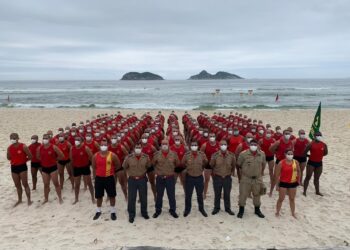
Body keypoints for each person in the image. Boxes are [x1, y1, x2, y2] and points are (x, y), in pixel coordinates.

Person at [92, 139, 121, 221]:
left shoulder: (112, 155)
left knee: (112, 195)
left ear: (107, 146)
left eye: (105, 145)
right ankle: (98, 210)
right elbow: (93, 167)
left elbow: (118, 165)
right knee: (99, 196)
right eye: (102, 145)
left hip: (109, 178)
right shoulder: (95, 156)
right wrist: (95, 177)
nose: (103, 146)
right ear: (100, 146)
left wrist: (111, 172)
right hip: (99, 178)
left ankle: (112, 211)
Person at [236, 139, 266, 219]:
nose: (254, 146)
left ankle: (257, 210)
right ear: (249, 145)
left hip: (257, 179)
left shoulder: (262, 154)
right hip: (246, 178)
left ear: (258, 145)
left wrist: (260, 174)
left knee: (257, 195)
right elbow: (238, 165)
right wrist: (240, 177)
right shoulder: (243, 154)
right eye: (252, 144)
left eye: (255, 145)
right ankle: (241, 210)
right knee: (243, 195)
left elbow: (263, 164)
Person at [123, 143, 152, 223]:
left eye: (139, 147)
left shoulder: (146, 157)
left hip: (142, 179)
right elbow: (124, 167)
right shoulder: (129, 158)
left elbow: (148, 166)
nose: (138, 148)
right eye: (136, 147)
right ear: (134, 148)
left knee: (143, 197)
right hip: (132, 180)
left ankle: (144, 213)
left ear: (141, 148)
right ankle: (131, 215)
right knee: (131, 198)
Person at [152, 139, 180, 218]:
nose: (164, 145)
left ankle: (172, 210)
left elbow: (177, 164)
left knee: (171, 195)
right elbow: (153, 164)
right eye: (163, 144)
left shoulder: (174, 154)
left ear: (168, 145)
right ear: (161, 145)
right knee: (159, 195)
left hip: (170, 178)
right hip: (160, 178)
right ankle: (158, 210)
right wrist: (157, 172)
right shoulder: (156, 154)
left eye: (166, 144)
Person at [270, 149, 300, 218]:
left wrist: (298, 180)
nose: (290, 155)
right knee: (281, 199)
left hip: (292, 183)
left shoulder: (296, 162)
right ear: (285, 154)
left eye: (291, 154)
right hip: (283, 183)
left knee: (292, 199)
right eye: (288, 154)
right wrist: (277, 186)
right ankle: (277, 212)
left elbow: (299, 171)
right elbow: (277, 175)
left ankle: (293, 213)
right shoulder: (281, 163)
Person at [182, 141, 208, 217]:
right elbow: (183, 164)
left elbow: (205, 163)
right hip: (189, 177)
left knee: (200, 194)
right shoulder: (186, 155)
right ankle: (187, 209)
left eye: (195, 145)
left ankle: (201, 209)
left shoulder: (202, 155)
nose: (194, 146)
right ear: (190, 146)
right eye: (192, 145)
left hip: (199, 177)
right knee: (188, 195)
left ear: (198, 146)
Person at [210, 140, 236, 216]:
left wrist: (230, 173)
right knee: (217, 194)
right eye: (221, 144)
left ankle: (227, 208)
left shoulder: (231, 155)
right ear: (219, 145)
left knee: (227, 194)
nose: (223, 146)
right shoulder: (215, 155)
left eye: (225, 144)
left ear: (227, 145)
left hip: (227, 177)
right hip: (217, 177)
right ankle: (216, 208)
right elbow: (211, 165)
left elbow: (233, 166)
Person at [37, 134, 64, 204]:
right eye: (43, 138)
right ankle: (46, 199)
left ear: (49, 139)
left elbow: (61, 155)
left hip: (53, 168)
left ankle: (60, 198)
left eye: (46, 138)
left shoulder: (54, 147)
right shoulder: (40, 148)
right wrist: (44, 160)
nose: (44, 139)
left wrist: (55, 159)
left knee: (56, 183)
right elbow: (38, 157)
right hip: (44, 168)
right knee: (46, 184)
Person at [7, 133, 33, 207]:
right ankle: (20, 200)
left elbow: (30, 156)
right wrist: (13, 158)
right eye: (11, 138)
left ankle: (29, 200)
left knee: (25, 184)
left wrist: (24, 160)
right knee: (17, 185)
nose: (12, 139)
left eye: (14, 137)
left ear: (18, 138)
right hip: (14, 167)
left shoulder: (23, 146)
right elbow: (8, 158)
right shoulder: (9, 148)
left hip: (22, 167)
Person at [70, 136, 95, 204]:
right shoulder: (72, 148)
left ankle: (93, 198)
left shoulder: (85, 148)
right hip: (76, 168)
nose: (76, 141)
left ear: (81, 141)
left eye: (78, 139)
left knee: (89, 184)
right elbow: (71, 160)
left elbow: (92, 157)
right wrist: (72, 170)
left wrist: (93, 167)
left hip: (85, 167)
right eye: (75, 139)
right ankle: (76, 199)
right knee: (77, 185)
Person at [303, 132, 328, 196]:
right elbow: (304, 153)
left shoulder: (324, 144)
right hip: (311, 163)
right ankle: (304, 191)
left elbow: (325, 153)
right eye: (317, 135)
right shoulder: (310, 144)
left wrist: (319, 156)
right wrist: (310, 156)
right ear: (314, 136)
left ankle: (317, 191)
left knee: (317, 178)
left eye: (320, 135)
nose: (319, 136)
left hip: (319, 163)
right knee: (308, 177)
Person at [109, 134, 128, 201]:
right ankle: (110, 196)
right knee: (111, 183)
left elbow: (126, 154)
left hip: (119, 167)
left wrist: (123, 162)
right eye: (112, 138)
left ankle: (126, 195)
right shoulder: (108, 148)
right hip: (111, 168)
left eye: (114, 138)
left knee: (122, 183)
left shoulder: (121, 147)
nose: (113, 140)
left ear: (117, 139)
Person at [200, 133, 220, 199]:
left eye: (213, 136)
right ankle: (204, 193)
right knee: (206, 180)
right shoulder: (205, 145)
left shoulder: (218, 144)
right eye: (211, 136)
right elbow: (200, 154)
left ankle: (218, 193)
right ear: (208, 137)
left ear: (215, 137)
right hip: (207, 165)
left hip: (216, 165)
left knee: (216, 180)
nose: (212, 137)